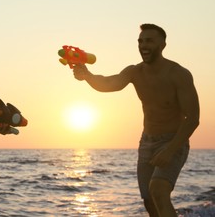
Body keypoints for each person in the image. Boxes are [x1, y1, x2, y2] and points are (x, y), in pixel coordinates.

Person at [72, 24, 200, 217]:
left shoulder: (178, 74)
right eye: (140, 41)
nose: (143, 45)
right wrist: (87, 75)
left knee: (158, 190)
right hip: (147, 141)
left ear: (163, 44)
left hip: (173, 141)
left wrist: (171, 149)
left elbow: (192, 118)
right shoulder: (135, 72)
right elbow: (108, 83)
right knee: (149, 200)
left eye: (149, 41)